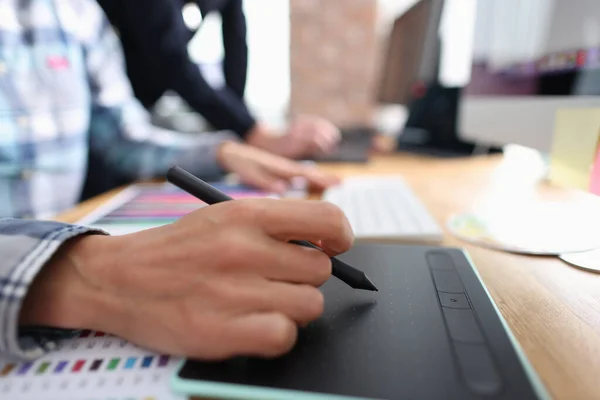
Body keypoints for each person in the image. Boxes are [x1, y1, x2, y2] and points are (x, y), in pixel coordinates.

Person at [0, 0, 352, 361]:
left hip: (74, 219)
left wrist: (224, 152)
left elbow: (123, 135)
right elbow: (171, 58)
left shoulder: (76, 11)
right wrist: (80, 273)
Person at [96, 0, 341, 159]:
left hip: (140, 109)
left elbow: (236, 48)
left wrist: (243, 130)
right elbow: (170, 60)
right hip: (101, 113)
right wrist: (254, 133)